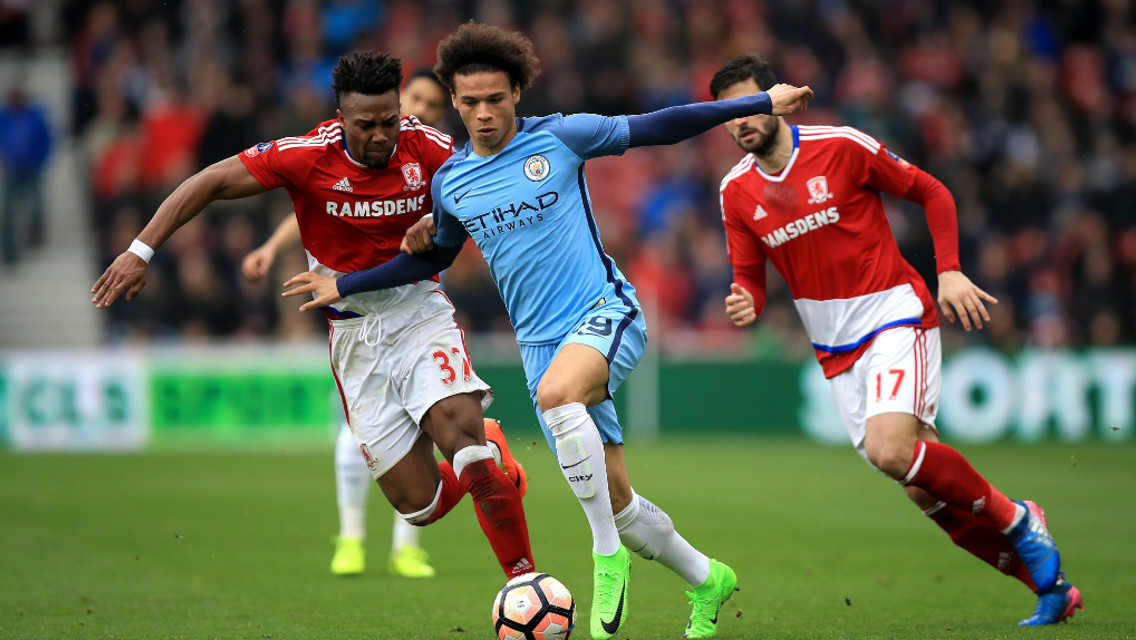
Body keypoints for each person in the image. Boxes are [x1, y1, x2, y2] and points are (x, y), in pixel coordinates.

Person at [280, 23, 811, 640]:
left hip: (603, 312)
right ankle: (706, 579)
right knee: (621, 501)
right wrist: (344, 284)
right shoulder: (451, 181)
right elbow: (432, 259)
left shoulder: (561, 137)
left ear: (517, 94)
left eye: (495, 99)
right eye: (470, 102)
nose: (483, 113)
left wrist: (757, 102)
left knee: (559, 401)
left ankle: (604, 554)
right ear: (453, 101)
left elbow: (659, 123)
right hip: (538, 344)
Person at [90, 50, 536, 581]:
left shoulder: (432, 147)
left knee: (466, 451)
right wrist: (140, 251)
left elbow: (483, 195)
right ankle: (493, 448)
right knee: (420, 505)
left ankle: (526, 581)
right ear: (340, 118)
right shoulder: (306, 154)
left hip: (418, 312)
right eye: (365, 126)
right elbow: (208, 181)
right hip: (352, 336)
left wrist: (439, 228)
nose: (380, 136)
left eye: (389, 122)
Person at [709, 53, 1082, 626]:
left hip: (893, 314)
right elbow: (750, 281)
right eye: (729, 113)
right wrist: (745, 302)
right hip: (835, 351)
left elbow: (931, 191)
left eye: (751, 105)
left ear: (777, 100)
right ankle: (1050, 586)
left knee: (891, 450)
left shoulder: (841, 146)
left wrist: (949, 269)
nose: (741, 121)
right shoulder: (735, 192)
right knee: (923, 490)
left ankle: (1019, 519)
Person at [240, 67, 467, 579]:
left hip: (412, 302)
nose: (423, 113)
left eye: (435, 106)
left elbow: (460, 207)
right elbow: (303, 203)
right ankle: (351, 535)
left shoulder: (428, 153)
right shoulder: (337, 155)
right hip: (350, 320)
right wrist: (271, 249)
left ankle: (406, 546)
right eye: (418, 102)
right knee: (359, 432)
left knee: (426, 424)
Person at [0, 86, 52, 266]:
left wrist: (40, 159)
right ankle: (9, 250)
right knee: (7, 212)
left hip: (32, 169)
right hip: (12, 169)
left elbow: (47, 140)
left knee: (37, 206)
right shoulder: (4, 117)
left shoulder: (36, 116)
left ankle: (35, 237)